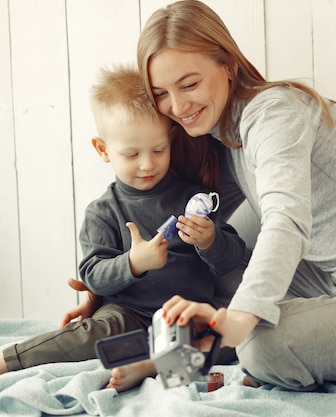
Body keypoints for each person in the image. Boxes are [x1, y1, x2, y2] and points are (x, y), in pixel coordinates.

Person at [68, 0, 336, 392]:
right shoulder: (225, 139)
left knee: (257, 343)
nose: (178, 106)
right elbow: (177, 227)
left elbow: (286, 221)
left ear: (228, 65)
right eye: (162, 94)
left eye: (189, 84)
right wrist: (111, 288)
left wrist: (240, 319)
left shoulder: (275, 113)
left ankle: (198, 354)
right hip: (333, 282)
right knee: (225, 270)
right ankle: (169, 361)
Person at [0, 64, 246, 391]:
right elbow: (92, 272)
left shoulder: (191, 198)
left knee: (239, 335)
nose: (147, 164)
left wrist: (211, 240)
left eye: (158, 150)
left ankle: (148, 365)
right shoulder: (104, 211)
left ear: (171, 139)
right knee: (89, 336)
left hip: (189, 313)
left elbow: (233, 256)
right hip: (129, 314)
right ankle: (9, 360)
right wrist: (134, 263)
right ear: (103, 150)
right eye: (131, 154)